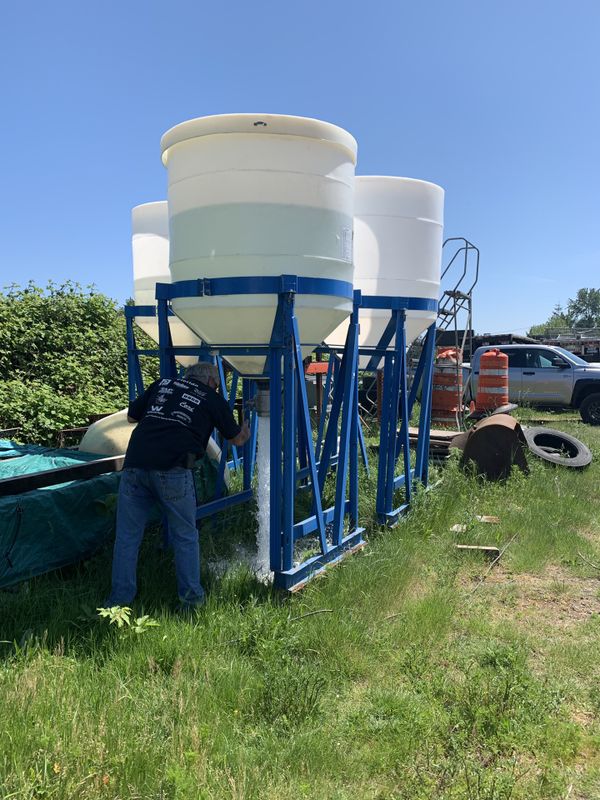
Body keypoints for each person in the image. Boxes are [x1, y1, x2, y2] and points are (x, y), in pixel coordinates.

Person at [105, 361, 250, 609]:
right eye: (216, 384)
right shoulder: (210, 398)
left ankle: (118, 602)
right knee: (185, 536)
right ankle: (191, 601)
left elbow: (131, 416)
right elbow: (236, 439)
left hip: (135, 466)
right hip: (173, 469)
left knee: (127, 538)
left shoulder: (163, 384)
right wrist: (246, 426)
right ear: (210, 382)